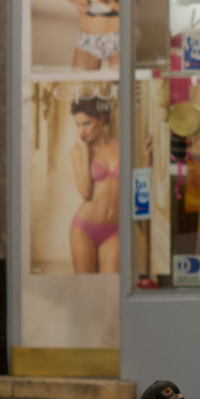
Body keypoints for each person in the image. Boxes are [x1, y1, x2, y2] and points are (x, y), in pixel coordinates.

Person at [69, 95, 119, 273]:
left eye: (87, 123)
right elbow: (85, 192)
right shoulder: (77, 151)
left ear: (101, 118)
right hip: (84, 229)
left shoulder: (121, 146)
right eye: (78, 125)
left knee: (111, 290)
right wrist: (85, 152)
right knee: (86, 292)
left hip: (114, 230)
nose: (82, 131)